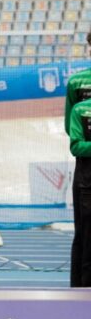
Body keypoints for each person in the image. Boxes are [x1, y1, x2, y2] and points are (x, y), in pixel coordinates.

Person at [66, 30, 91, 286]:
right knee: (85, 234)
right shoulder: (76, 83)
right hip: (87, 172)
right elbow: (72, 135)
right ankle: (80, 293)